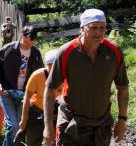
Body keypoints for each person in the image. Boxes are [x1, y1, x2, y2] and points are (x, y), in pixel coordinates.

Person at [43, 9, 129, 146]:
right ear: (82, 28)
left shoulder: (114, 52)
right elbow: (49, 89)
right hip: (72, 124)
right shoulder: (67, 52)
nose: (98, 33)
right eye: (93, 28)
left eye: (102, 28)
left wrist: (122, 120)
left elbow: (123, 87)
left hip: (101, 125)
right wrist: (48, 126)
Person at [0, 26, 43, 146]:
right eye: (27, 40)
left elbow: (39, 73)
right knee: (13, 124)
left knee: (19, 125)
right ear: (22, 35)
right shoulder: (8, 49)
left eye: (32, 41)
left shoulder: (35, 53)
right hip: (6, 91)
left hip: (25, 94)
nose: (29, 44)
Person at [17, 49, 59, 146]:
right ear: (45, 64)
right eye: (50, 65)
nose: (53, 69)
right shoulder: (37, 76)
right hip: (36, 111)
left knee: (54, 141)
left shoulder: (65, 75)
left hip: (56, 112)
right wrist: (23, 120)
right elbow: (27, 98)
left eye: (55, 65)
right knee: (33, 141)